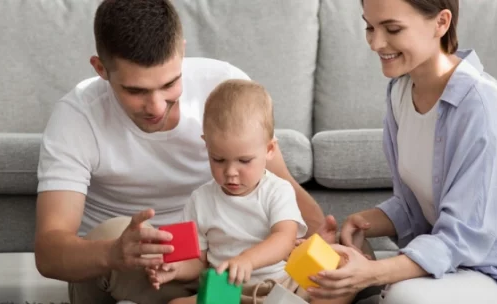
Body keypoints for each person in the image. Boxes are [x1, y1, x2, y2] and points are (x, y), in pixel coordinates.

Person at [32, 0, 335, 303]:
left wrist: (327, 243)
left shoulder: (225, 90)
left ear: (182, 54)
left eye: (170, 84)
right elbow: (49, 253)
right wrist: (115, 252)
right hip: (139, 267)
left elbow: (278, 183)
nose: (156, 106)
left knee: (342, 264)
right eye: (136, 91)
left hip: (228, 264)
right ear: (101, 69)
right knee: (112, 231)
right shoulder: (77, 117)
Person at [304, 0, 497, 304]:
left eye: (392, 28)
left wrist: (373, 272)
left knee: (403, 296)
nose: (376, 43)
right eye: (369, 26)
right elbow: (417, 205)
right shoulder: (400, 90)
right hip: (456, 268)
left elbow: (464, 238)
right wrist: (360, 221)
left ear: (441, 23)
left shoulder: (483, 109)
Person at [144, 79, 356, 304]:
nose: (231, 172)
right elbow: (199, 260)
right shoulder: (200, 200)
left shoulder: (277, 191)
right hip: (226, 292)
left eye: (244, 161)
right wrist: (175, 268)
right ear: (207, 146)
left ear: (269, 149)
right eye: (218, 159)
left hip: (281, 286)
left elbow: (284, 238)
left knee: (336, 283)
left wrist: (248, 260)